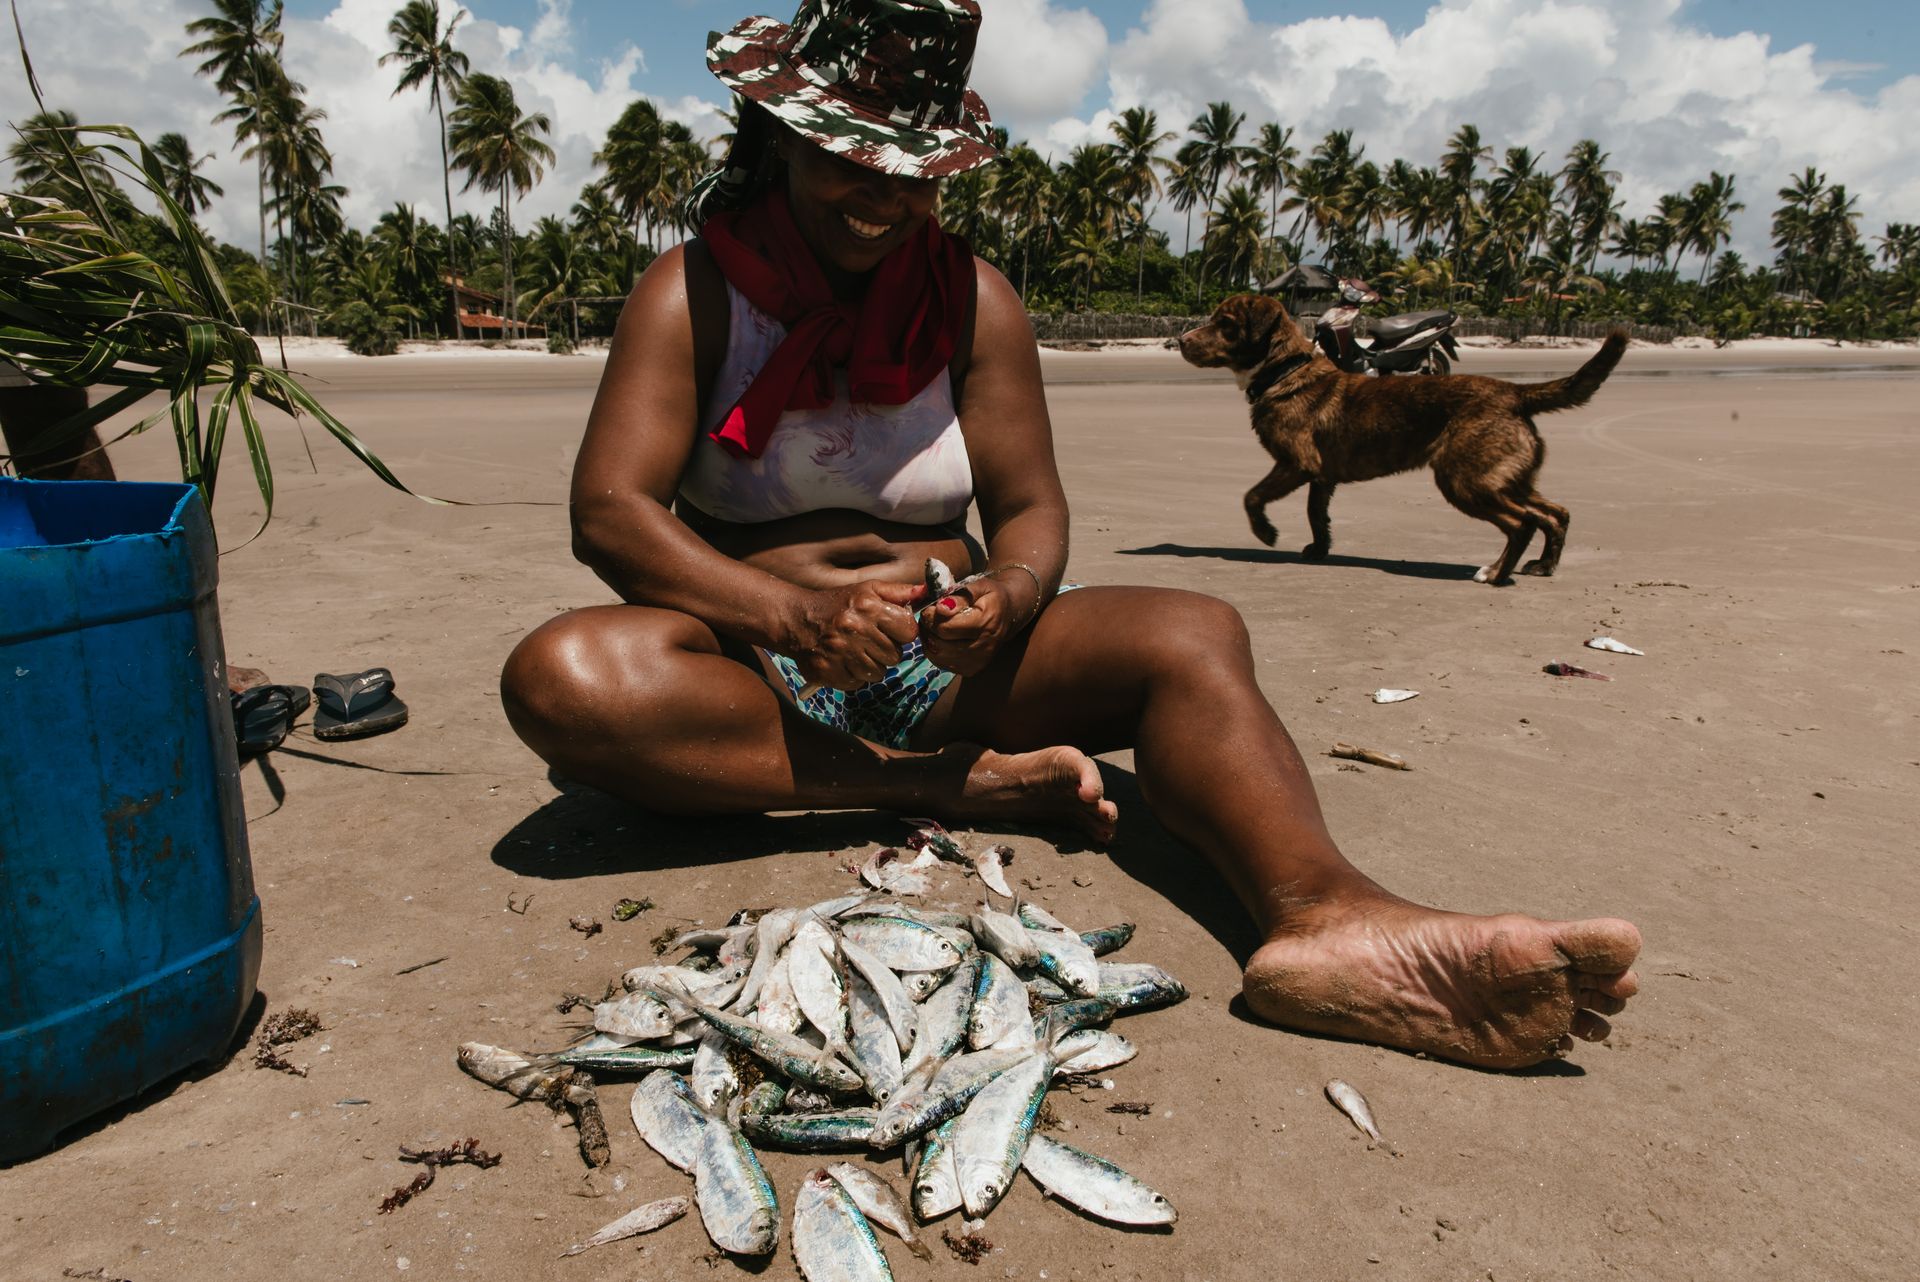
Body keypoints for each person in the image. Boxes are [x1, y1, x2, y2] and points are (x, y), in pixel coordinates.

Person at [501, 0, 1641, 1070]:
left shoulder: (975, 299)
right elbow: (609, 512)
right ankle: (958, 785)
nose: (879, 193)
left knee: (1193, 631)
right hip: (750, 667)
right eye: (850, 155)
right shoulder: (691, 290)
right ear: (780, 131)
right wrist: (792, 617)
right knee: (566, 677)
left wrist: (1015, 586)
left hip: (940, 657)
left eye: (911, 169)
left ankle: (1330, 916)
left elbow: (1031, 507)